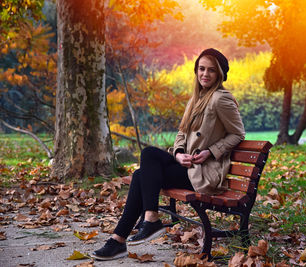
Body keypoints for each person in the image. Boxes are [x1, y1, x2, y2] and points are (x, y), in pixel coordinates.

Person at [92, 48, 245, 260]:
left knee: (142, 169)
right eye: (201, 69)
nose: (205, 74)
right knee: (145, 163)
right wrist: (179, 153)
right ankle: (125, 236)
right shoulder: (197, 98)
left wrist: (211, 152)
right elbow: (182, 132)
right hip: (189, 165)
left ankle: (135, 230)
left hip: (204, 172)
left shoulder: (220, 99)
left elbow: (238, 133)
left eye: (211, 70)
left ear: (220, 74)